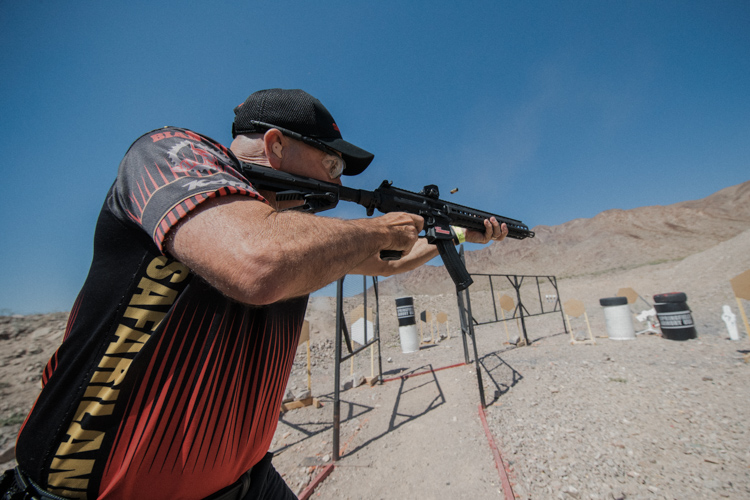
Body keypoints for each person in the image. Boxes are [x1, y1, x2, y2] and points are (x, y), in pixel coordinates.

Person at [3, 89, 507, 500]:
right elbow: (258, 263)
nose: (335, 182)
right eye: (332, 165)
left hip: (246, 481)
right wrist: (380, 230)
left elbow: (387, 263)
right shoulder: (171, 155)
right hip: (88, 489)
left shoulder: (298, 232)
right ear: (275, 146)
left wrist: (459, 235)